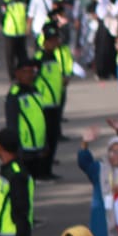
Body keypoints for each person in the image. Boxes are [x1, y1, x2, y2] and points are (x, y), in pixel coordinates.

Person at [35, 26, 73, 174]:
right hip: (44, 104)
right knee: (46, 138)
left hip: (55, 102)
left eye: (55, 40)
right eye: (50, 40)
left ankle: (48, 167)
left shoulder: (54, 57)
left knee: (53, 137)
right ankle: (43, 169)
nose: (54, 43)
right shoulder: (40, 58)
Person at [4, 59, 49, 180]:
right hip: (23, 149)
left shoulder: (35, 91)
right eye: (25, 72)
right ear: (17, 73)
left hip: (37, 145)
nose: (29, 75)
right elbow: (11, 123)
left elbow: (41, 119)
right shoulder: (14, 95)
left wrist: (45, 143)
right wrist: (15, 148)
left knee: (31, 182)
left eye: (31, 72)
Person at [0, 0, 29, 73]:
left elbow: (27, 14)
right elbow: (2, 16)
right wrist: (5, 27)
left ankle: (23, 72)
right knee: (10, 55)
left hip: (21, 31)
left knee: (22, 56)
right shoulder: (6, 0)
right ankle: (12, 75)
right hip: (10, 32)